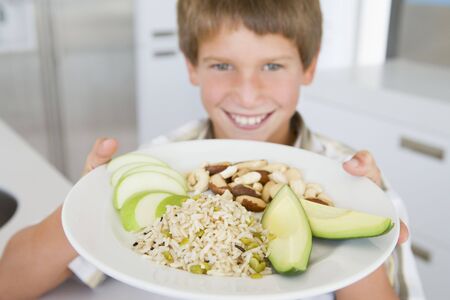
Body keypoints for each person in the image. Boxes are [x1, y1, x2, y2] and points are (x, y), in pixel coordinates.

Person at [0, 1, 414, 299]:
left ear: (308, 66)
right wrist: (86, 205)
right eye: (222, 65)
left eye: (272, 66)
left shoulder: (350, 178)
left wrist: (361, 237)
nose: (248, 94)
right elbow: (10, 283)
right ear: (191, 65)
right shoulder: (163, 162)